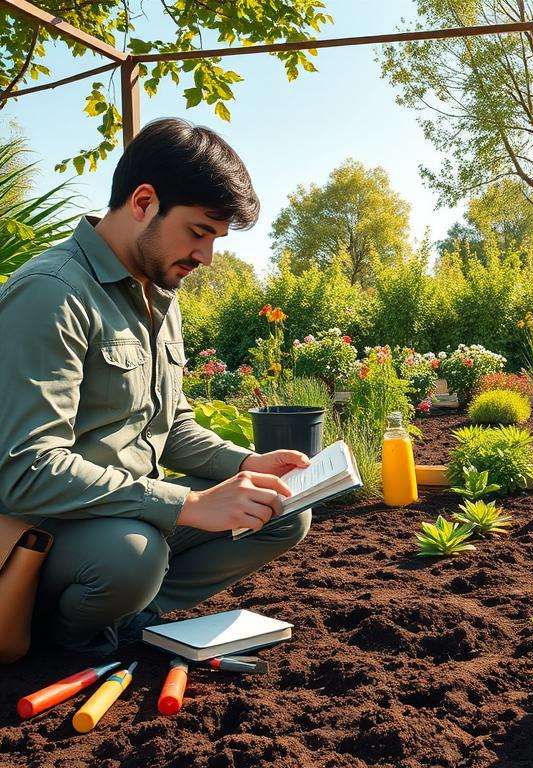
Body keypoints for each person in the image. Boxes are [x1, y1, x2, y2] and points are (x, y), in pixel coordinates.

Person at [0, 118, 312, 656]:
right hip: (53, 527)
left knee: (282, 510)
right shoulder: (52, 294)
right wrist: (185, 504)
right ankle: (61, 638)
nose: (207, 257)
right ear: (143, 201)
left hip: (135, 511)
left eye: (215, 239)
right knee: (133, 557)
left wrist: (245, 466)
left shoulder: (158, 296)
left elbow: (171, 427)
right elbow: (24, 471)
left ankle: (126, 618)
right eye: (198, 232)